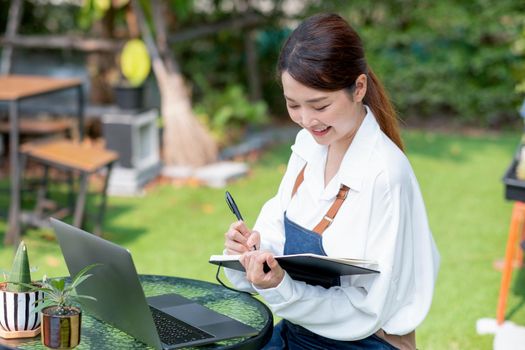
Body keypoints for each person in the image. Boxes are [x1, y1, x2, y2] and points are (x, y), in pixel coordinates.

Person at [223, 13, 439, 350]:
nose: (307, 120)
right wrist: (248, 254)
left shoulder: (384, 174)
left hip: (364, 341)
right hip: (300, 332)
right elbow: (273, 239)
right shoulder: (307, 148)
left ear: (359, 88)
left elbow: (366, 310)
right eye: (293, 104)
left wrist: (280, 286)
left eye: (320, 105)